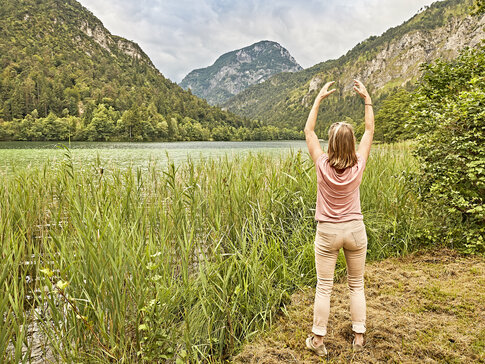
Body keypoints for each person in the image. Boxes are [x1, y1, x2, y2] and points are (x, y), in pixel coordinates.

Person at [303, 79, 374, 356]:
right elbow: (369, 129)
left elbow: (308, 130)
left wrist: (318, 99)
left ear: (330, 144)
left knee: (324, 287)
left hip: (328, 232)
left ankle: (318, 341)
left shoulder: (322, 164)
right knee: (356, 285)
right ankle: (358, 337)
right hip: (355, 230)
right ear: (351, 144)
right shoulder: (358, 163)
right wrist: (366, 98)